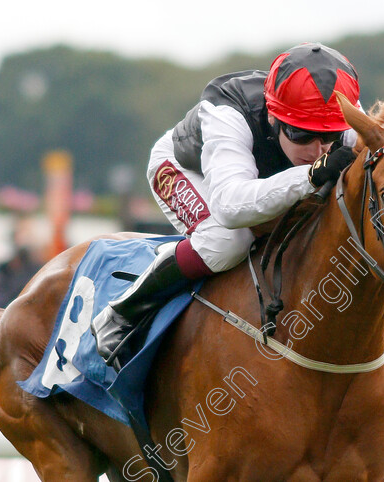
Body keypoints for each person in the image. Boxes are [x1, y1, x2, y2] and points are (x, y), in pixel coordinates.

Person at [91, 43, 361, 367]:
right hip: (185, 170)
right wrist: (312, 175)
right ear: (274, 117)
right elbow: (230, 207)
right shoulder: (229, 114)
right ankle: (120, 313)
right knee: (227, 241)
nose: (318, 149)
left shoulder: (340, 113)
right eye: (302, 134)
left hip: (257, 179)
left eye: (329, 135)